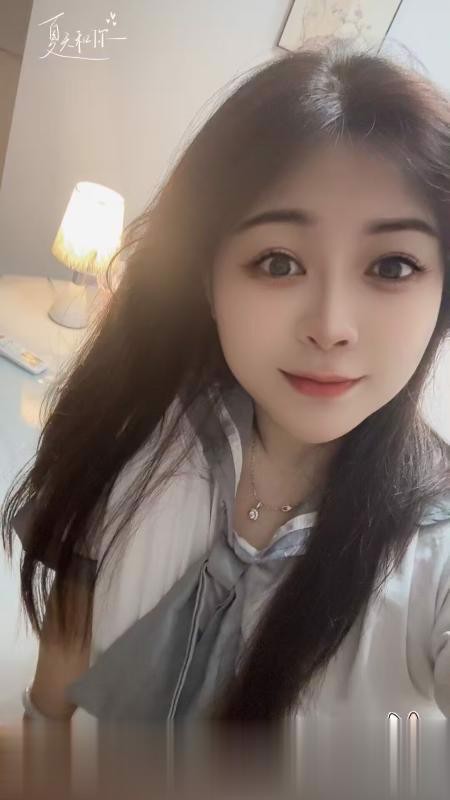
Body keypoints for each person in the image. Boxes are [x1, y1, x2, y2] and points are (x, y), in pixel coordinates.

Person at [2, 41, 450, 726]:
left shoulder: (431, 553)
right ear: (207, 279)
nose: (331, 327)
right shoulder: (137, 429)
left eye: (392, 266)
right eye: (278, 262)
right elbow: (65, 635)